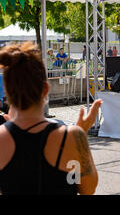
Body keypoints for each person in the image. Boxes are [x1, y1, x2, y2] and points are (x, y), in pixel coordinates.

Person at [0, 42, 101, 195]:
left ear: (7, 91)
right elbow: (88, 189)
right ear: (46, 89)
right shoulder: (72, 136)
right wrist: (82, 133)